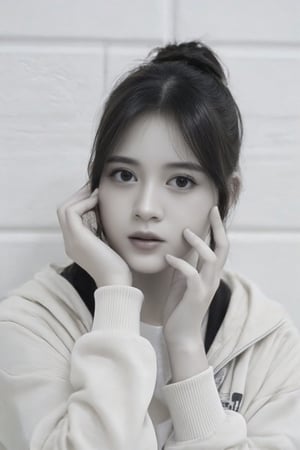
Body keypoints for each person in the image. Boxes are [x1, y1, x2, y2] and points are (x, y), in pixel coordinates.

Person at [0, 40, 299, 450]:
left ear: (226, 194)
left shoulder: (267, 338)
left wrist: (187, 349)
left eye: (181, 181)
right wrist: (115, 292)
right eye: (124, 175)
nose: (145, 208)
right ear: (94, 185)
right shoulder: (30, 324)